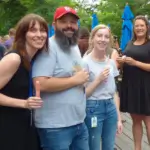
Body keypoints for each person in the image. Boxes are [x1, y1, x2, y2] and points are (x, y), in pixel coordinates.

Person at [32, 6, 89, 150]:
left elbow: (77, 72)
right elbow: (40, 83)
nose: (69, 26)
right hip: (55, 128)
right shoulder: (48, 47)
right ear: (54, 25)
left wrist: (82, 78)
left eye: (73, 22)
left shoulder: (74, 46)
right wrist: (75, 80)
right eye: (64, 21)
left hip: (79, 123)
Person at [0, 13, 48, 150]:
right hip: (8, 127)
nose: (39, 34)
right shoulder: (14, 58)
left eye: (43, 30)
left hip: (26, 125)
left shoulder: (34, 59)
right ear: (23, 34)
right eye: (33, 30)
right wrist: (24, 103)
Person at [83, 24, 123, 150]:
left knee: (109, 146)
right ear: (93, 38)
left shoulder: (111, 63)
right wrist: (98, 80)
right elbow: (83, 95)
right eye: (99, 35)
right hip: (93, 108)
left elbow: (114, 92)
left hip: (111, 108)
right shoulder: (84, 62)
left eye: (106, 37)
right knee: (93, 146)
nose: (103, 39)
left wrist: (119, 118)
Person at [117, 15, 150, 150]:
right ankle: (137, 148)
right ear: (134, 28)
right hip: (131, 85)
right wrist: (121, 62)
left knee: (148, 121)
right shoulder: (130, 43)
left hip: (146, 87)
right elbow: (124, 61)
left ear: (147, 27)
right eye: (137, 26)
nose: (139, 28)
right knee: (135, 120)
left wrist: (135, 63)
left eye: (142, 25)